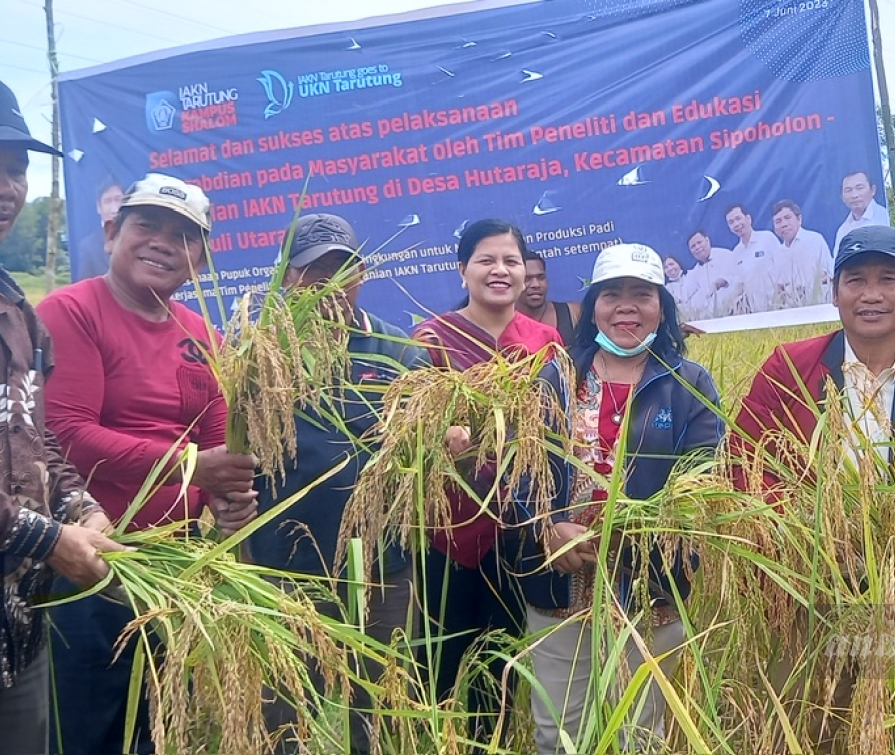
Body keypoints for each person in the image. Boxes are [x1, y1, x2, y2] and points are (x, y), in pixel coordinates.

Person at [732, 225, 895, 752]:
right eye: (856, 280)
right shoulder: (789, 368)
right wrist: (803, 533)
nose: (871, 294)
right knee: (804, 719)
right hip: (802, 588)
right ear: (835, 292)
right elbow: (742, 465)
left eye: (888, 279)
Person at [38, 173, 258, 755]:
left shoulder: (203, 335)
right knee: (86, 729)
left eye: (184, 235)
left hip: (173, 570)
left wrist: (230, 502)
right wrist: (193, 468)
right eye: (147, 225)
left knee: (159, 733)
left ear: (201, 260)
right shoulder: (71, 311)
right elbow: (67, 436)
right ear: (112, 232)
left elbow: (219, 445)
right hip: (90, 566)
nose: (163, 241)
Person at [507, 243, 722, 754]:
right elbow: (521, 472)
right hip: (559, 587)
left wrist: (639, 528)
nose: (626, 306)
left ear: (662, 309)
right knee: (560, 730)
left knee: (641, 730)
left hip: (651, 587)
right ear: (593, 307)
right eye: (612, 294)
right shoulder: (555, 378)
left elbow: (704, 479)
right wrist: (548, 529)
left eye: (641, 294)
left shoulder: (687, 384)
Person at [244, 214, 427, 753]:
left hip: (382, 566)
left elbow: (423, 451)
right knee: (283, 714)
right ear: (287, 278)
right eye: (312, 271)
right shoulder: (257, 354)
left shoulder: (396, 349)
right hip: (285, 567)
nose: (327, 285)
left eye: (340, 270)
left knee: (377, 712)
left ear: (361, 274)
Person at [0, 77, 126, 755]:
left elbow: (35, 433)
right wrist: (49, 538)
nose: (8, 187)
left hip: (19, 620)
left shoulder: (18, 311)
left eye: (16, 169)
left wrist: (78, 506)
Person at [412, 219, 562, 745]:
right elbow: (405, 433)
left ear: (525, 274)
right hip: (445, 533)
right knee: (437, 665)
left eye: (511, 261)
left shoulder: (546, 343)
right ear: (463, 269)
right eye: (486, 260)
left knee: (500, 669)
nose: (500, 270)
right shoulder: (431, 339)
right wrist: (435, 434)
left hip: (517, 533)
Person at [724, 203, 786, 312]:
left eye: (738, 218)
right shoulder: (736, 252)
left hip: (778, 305)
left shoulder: (767, 238)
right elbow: (739, 284)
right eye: (731, 222)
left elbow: (782, 267)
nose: (736, 224)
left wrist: (781, 298)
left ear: (748, 218)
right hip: (755, 310)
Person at [773, 199, 833, 306]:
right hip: (791, 310)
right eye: (778, 221)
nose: (783, 224)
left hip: (817, 305)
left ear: (799, 219)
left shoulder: (814, 240)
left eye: (787, 218)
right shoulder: (778, 252)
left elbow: (829, 275)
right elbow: (780, 287)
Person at [518, 252, 581, 346]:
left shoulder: (574, 313)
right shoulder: (501, 321)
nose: (536, 285)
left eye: (541, 277)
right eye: (527, 279)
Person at [677, 229, 743, 319]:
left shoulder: (725, 255)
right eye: (693, 246)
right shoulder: (694, 273)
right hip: (709, 317)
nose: (697, 247)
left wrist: (721, 282)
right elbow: (685, 296)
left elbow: (739, 280)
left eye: (699, 242)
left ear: (707, 240)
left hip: (733, 313)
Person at [73, 175, 123, 280]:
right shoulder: (88, 248)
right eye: (107, 201)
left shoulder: (138, 240)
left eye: (118, 200)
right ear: (99, 207)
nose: (114, 209)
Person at [833, 171, 889, 252]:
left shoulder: (886, 217)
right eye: (848, 190)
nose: (854, 195)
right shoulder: (843, 230)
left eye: (859, 188)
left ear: (873, 190)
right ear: (842, 197)